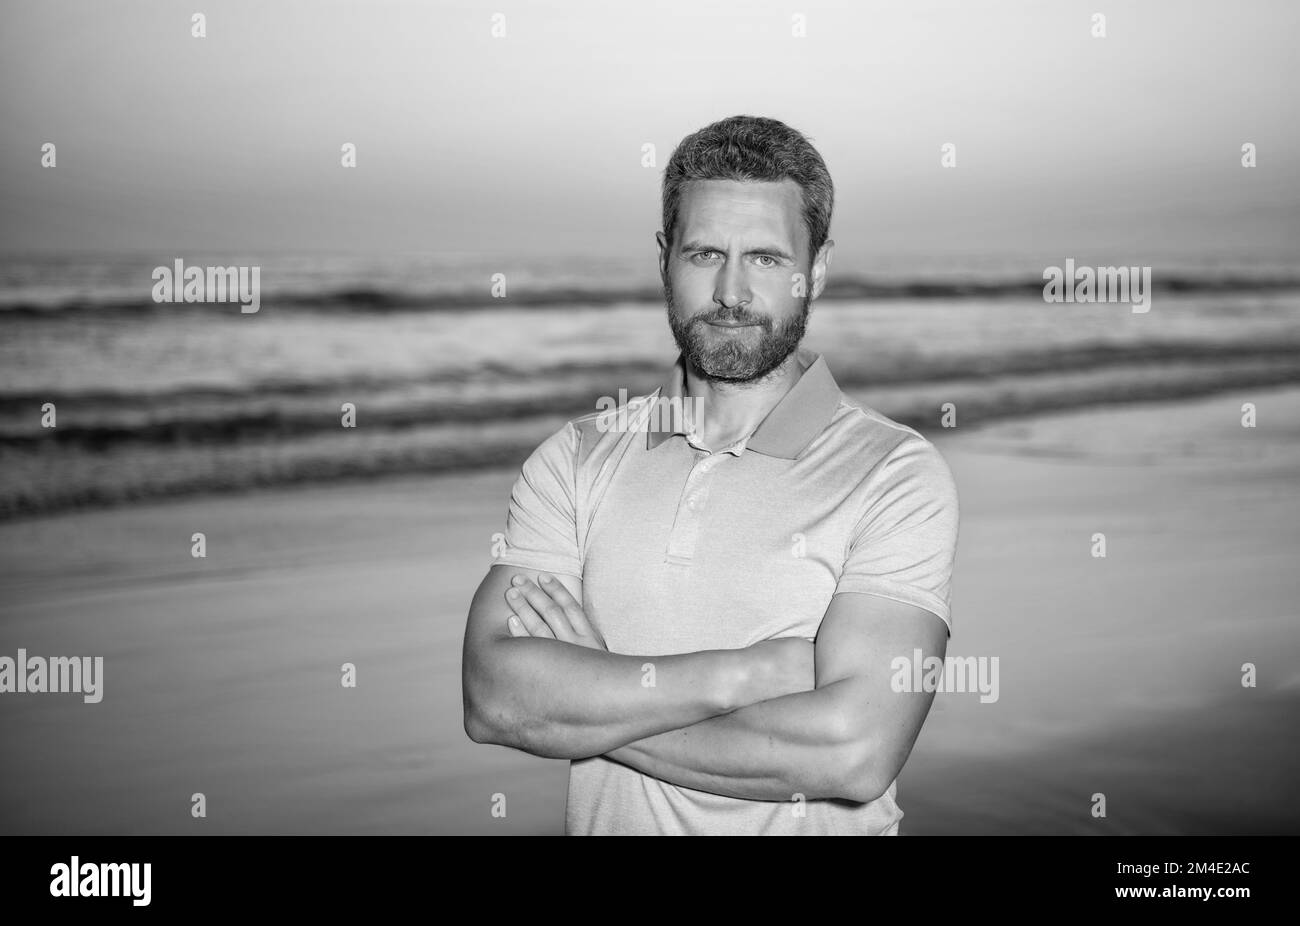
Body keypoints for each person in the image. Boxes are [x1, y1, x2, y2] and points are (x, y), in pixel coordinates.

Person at [461, 114, 959, 835]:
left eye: (763, 257)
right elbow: (494, 697)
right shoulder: (574, 461)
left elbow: (855, 748)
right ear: (665, 258)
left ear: (814, 269)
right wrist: (742, 674)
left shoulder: (892, 474)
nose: (731, 292)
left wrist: (595, 698)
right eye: (704, 253)